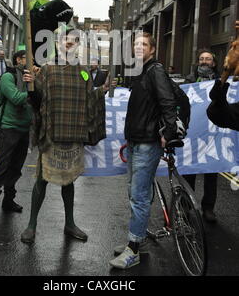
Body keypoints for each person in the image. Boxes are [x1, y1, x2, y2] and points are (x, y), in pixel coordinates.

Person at [21, 28, 113, 244]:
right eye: (65, 41)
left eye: (74, 41)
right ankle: (31, 225)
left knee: (69, 181)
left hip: (73, 134)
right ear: (58, 44)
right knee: (42, 180)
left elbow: (90, 98)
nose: (69, 44)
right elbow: (38, 101)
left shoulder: (82, 71)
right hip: (51, 133)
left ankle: (69, 224)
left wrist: (103, 90)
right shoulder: (46, 69)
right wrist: (31, 86)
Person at [109, 32, 178, 270]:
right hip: (137, 141)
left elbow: (168, 102)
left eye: (144, 44)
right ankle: (136, 240)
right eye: (136, 44)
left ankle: (134, 250)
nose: (139, 48)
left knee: (138, 196)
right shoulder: (142, 72)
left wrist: (167, 133)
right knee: (136, 193)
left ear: (152, 49)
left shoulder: (155, 71)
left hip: (148, 143)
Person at [0, 50, 33, 218]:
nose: (32, 61)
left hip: (24, 127)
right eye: (28, 57)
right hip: (9, 126)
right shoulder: (7, 77)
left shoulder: (30, 77)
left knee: (16, 166)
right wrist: (32, 91)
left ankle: (8, 200)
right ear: (19, 59)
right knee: (3, 164)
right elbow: (17, 98)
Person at [184, 49, 220, 223]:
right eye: (201, 59)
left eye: (208, 59)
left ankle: (208, 209)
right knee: (189, 172)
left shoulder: (221, 81)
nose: (204, 61)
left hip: (214, 133)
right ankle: (185, 207)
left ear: (214, 63)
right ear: (198, 62)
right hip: (194, 133)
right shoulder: (190, 81)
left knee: (211, 172)